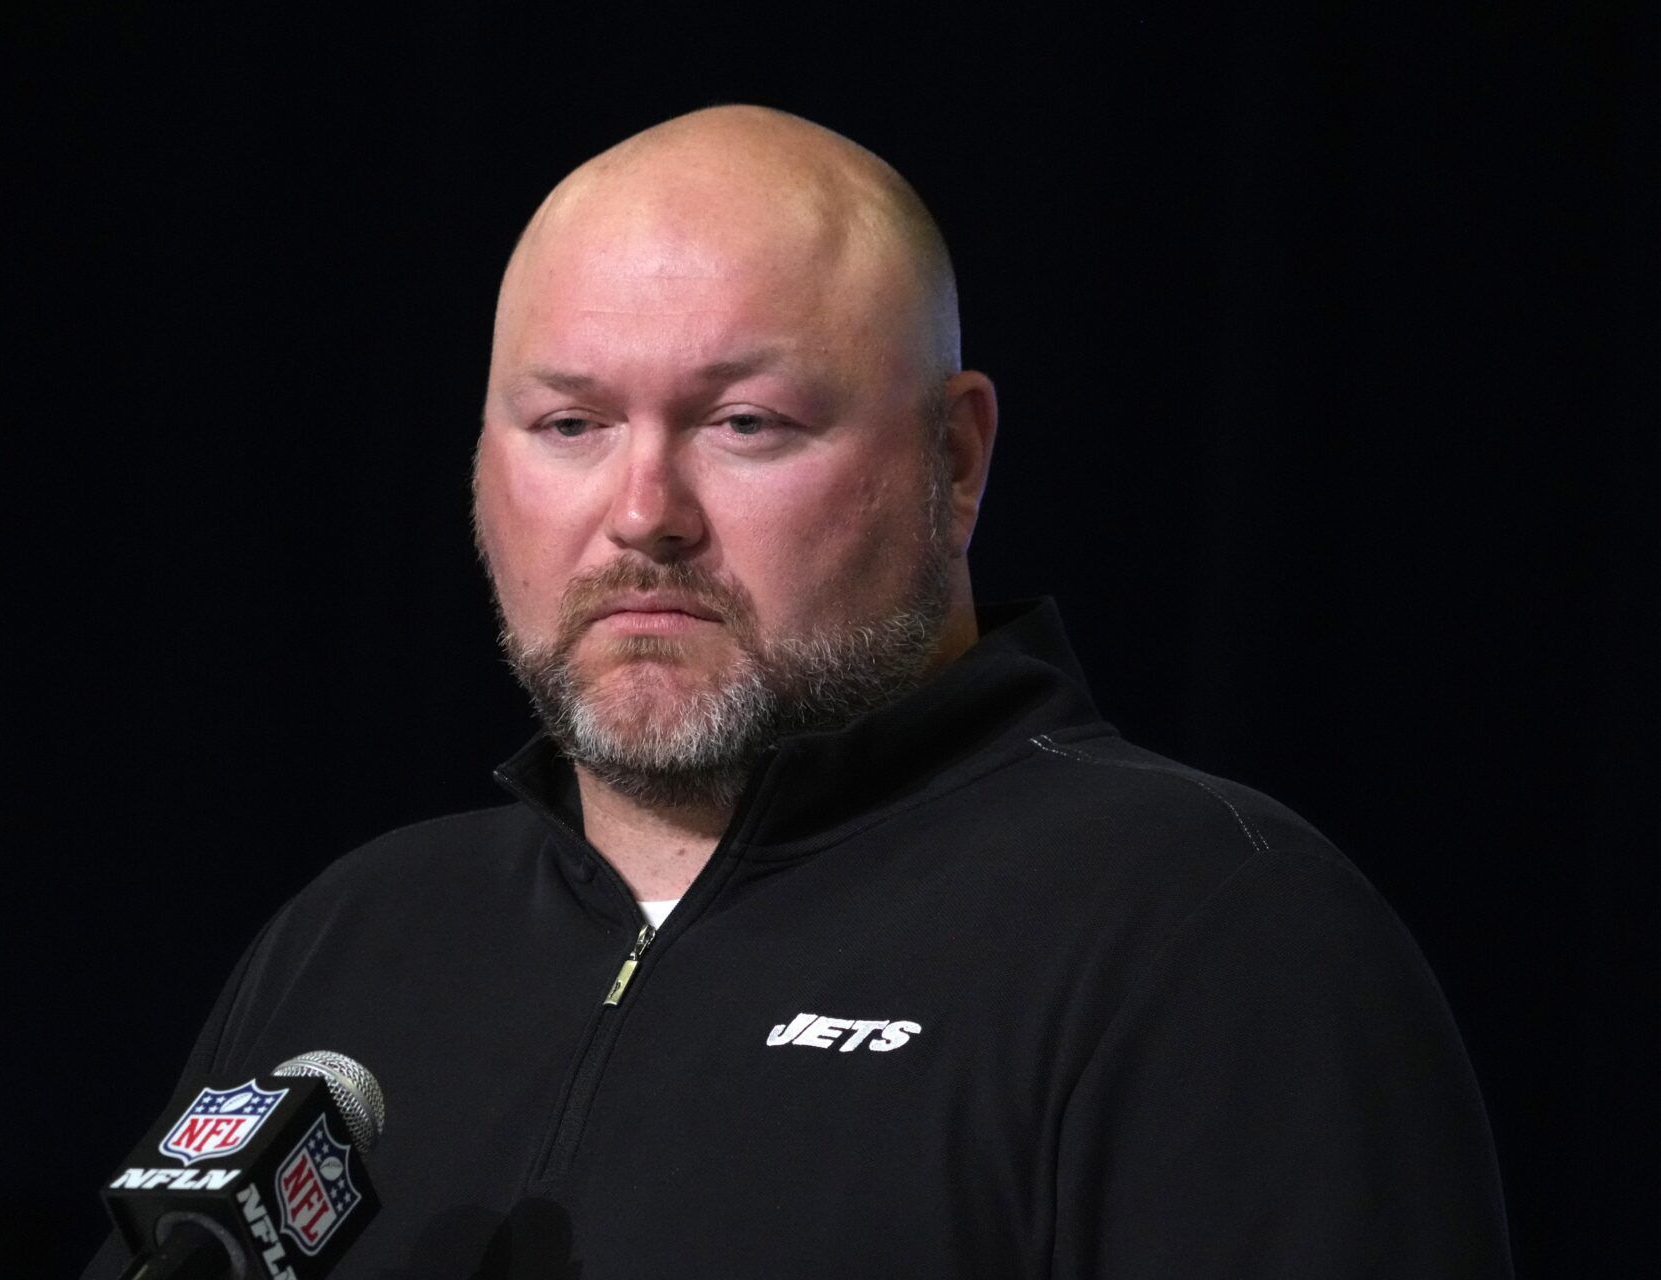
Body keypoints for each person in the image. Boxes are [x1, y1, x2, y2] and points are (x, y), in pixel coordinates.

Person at [84, 105, 1511, 1278]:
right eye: (570, 424)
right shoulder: (361, 934)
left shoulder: (1204, 934)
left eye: (745, 425)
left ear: (954, 460)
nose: (644, 512)